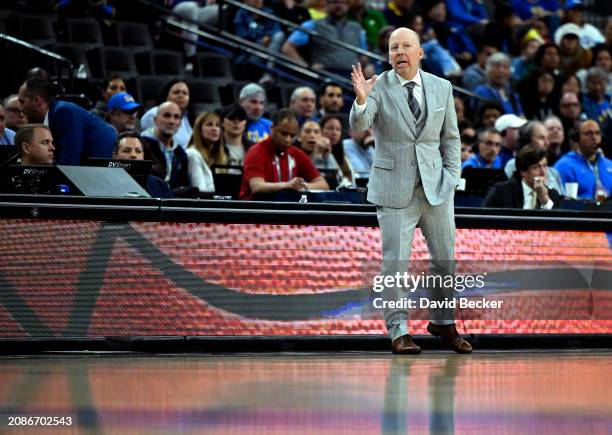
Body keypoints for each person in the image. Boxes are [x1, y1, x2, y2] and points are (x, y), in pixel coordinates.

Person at [350, 27, 470, 355]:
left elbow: (451, 137)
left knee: (446, 261)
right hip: (394, 187)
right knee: (395, 264)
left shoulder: (442, 86)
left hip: (437, 188)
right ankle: (398, 330)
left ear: (420, 53)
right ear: (388, 55)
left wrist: (452, 176)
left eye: (406, 46)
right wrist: (361, 99)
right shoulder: (377, 86)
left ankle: (443, 323)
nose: (399, 52)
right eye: (393, 48)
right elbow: (359, 126)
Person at [18, 78, 116, 165]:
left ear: (37, 101)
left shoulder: (64, 112)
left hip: (110, 168)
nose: (20, 108)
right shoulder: (55, 115)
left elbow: (69, 163)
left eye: (22, 102)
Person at [240, 109, 329, 200]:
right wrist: (287, 185)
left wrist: (302, 186)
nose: (288, 140)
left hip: (285, 210)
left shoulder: (296, 153)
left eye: (292, 136)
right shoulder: (256, 152)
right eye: (283, 134)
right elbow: (257, 186)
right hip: (255, 210)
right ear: (272, 129)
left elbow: (323, 185)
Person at [282, 0, 368, 76]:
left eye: (343, 2)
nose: (339, 5)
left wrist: (366, 66)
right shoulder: (313, 25)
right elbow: (288, 47)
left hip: (352, 76)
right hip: (325, 74)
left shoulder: (357, 28)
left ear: (348, 5)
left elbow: (363, 55)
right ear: (327, 4)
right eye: (334, 2)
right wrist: (306, 67)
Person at [483, 145, 562, 209]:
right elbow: (486, 219)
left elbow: (558, 226)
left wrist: (545, 200)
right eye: (536, 167)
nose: (543, 172)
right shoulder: (502, 191)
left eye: (544, 165)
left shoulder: (552, 195)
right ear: (523, 172)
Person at [554, 119, 612, 200]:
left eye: (597, 133)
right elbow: (557, 200)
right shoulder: (564, 166)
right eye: (588, 133)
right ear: (577, 137)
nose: (594, 137)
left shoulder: (609, 165)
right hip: (580, 211)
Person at [141, 101, 190, 190]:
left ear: (179, 123)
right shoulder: (141, 146)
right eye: (167, 115)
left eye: (176, 117)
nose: (171, 121)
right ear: (155, 120)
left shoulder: (181, 154)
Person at [112, 131, 173, 198]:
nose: (133, 155)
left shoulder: (160, 185)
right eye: (127, 150)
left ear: (143, 156)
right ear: (114, 156)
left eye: (138, 151)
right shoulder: (105, 183)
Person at [140, 79, 193, 149]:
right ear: (167, 96)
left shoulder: (185, 118)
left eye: (185, 93)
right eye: (176, 92)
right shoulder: (153, 113)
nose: (181, 95)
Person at [186, 111, 226, 194]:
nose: (214, 129)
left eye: (217, 125)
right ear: (199, 129)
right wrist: (226, 186)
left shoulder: (219, 156)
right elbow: (200, 189)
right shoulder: (192, 154)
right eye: (209, 124)